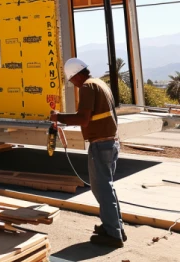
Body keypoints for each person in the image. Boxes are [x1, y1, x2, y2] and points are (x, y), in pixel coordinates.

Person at [50, 58, 126, 248]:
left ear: (75, 75)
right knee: (107, 187)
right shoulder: (100, 83)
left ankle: (113, 235)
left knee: (101, 188)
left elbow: (83, 119)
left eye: (71, 80)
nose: (73, 85)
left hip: (100, 144)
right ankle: (116, 227)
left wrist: (58, 117)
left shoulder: (87, 87)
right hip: (110, 142)